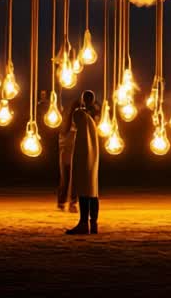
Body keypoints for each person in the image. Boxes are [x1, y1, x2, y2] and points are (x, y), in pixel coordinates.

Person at [66, 90, 101, 235]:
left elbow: (71, 120)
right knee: (92, 192)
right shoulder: (92, 120)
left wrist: (75, 105)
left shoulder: (80, 115)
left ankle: (83, 223)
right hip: (93, 158)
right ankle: (93, 224)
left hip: (83, 156)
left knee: (83, 191)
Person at [57, 98, 80, 213]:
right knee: (67, 180)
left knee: (69, 180)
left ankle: (68, 202)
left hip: (70, 156)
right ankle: (67, 202)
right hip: (68, 156)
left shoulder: (70, 127)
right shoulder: (67, 127)